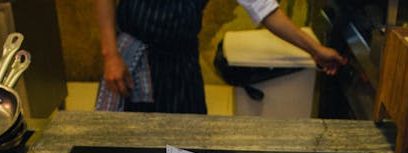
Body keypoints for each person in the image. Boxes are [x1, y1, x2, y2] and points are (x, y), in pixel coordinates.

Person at [95, 0, 346, 113]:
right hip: (134, 61)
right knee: (134, 151)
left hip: (182, 66)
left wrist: (315, 50)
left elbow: (264, 9)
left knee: (190, 149)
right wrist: (110, 56)